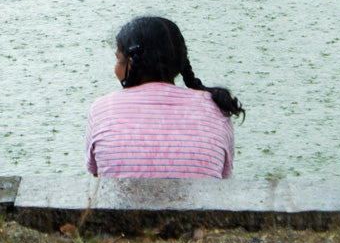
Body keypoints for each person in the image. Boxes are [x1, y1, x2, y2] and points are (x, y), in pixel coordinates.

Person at [85, 15, 244, 179]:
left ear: (131, 62)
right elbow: (223, 180)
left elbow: (99, 180)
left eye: (118, 59)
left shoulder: (102, 109)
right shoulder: (217, 110)